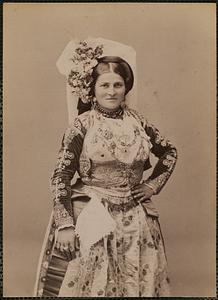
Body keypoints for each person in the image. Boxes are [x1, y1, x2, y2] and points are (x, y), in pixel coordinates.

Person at [34, 39, 177, 297]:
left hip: (136, 220)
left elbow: (169, 152)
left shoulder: (138, 122)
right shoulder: (82, 125)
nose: (111, 91)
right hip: (94, 214)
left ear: (126, 88)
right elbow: (61, 176)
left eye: (117, 85)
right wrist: (65, 224)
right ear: (93, 89)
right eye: (105, 85)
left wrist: (151, 185)